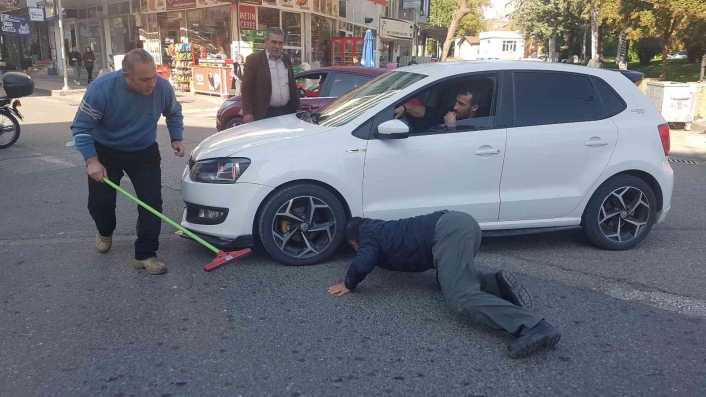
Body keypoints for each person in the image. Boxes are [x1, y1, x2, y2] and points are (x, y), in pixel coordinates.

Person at [329, 211, 561, 358]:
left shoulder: (367, 236)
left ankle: (531, 325)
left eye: (352, 246)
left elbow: (364, 261)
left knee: (459, 295)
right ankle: (494, 285)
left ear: (353, 241)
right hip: (462, 223)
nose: (354, 250)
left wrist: (349, 283)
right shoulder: (379, 227)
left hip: (450, 231)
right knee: (446, 280)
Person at [70, 49, 185, 276]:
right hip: (106, 150)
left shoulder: (161, 86)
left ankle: (145, 254)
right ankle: (104, 231)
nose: (152, 84)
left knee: (151, 203)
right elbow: (80, 127)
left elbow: (174, 112)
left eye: (154, 76)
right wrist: (92, 161)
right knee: (100, 203)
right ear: (127, 75)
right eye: (144, 79)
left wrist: (176, 137)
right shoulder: (101, 89)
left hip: (144, 151)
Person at [241, 27, 300, 123]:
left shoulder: (286, 58)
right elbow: (246, 88)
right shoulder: (254, 60)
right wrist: (247, 112)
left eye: (280, 43)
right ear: (266, 41)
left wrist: (297, 107)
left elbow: (292, 85)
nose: (277, 46)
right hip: (265, 113)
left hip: (287, 112)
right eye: (274, 42)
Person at [394, 87, 480, 131]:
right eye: (456, 102)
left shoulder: (482, 124)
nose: (455, 107)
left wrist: (451, 127)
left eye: (461, 104)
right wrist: (405, 108)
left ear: (474, 107)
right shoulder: (452, 113)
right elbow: (425, 112)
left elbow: (459, 149)